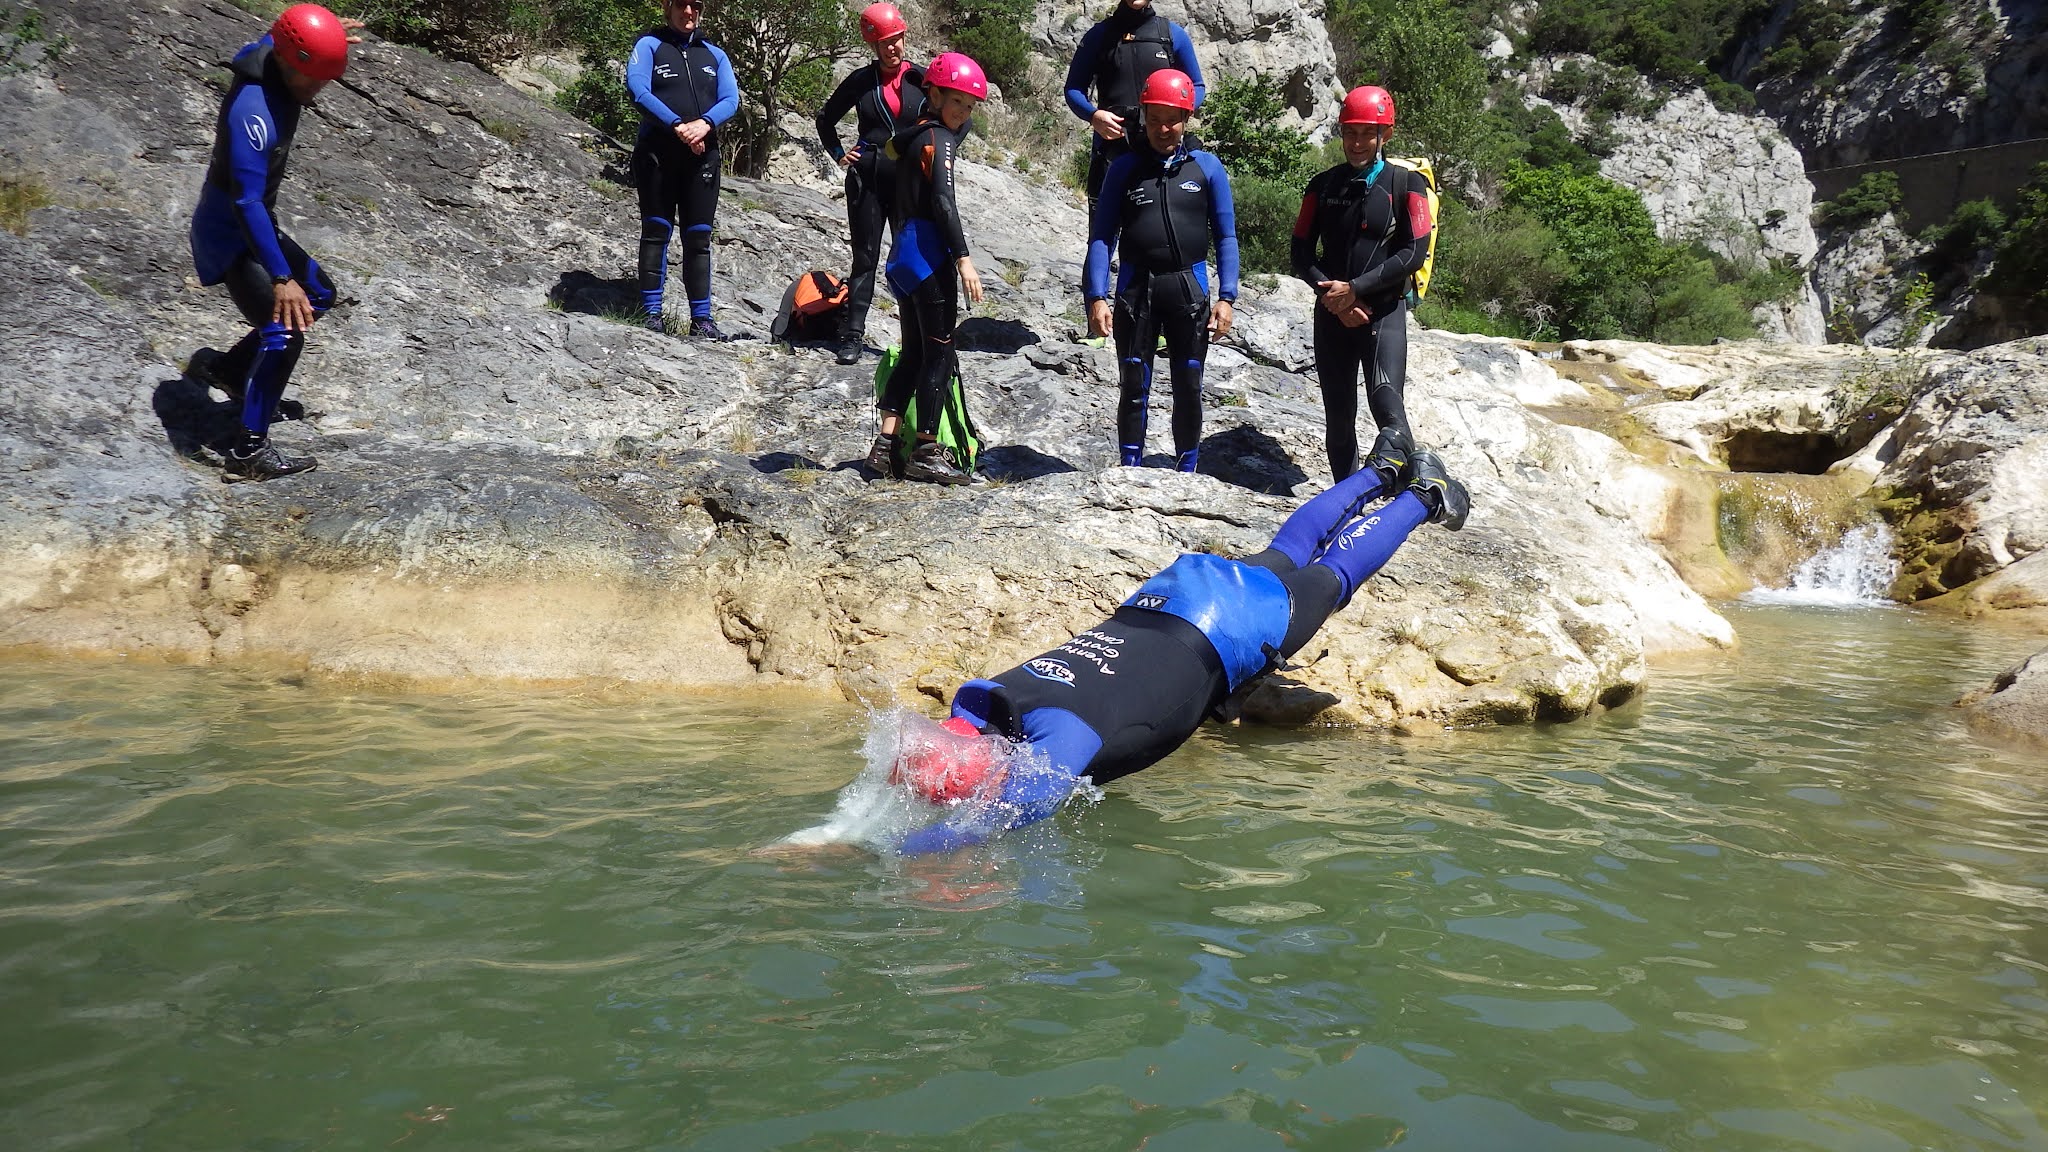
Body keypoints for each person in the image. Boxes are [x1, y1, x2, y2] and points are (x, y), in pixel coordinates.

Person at [885, 434, 1469, 855]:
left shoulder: (1061, 740)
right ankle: (1383, 468)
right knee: (1287, 552)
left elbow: (996, 820)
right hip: (1168, 597)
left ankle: (1426, 494)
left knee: (1332, 576)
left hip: (1227, 625)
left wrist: (891, 853)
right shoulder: (993, 695)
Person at [186, 4, 361, 482]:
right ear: (287, 60)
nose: (317, 87)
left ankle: (231, 371)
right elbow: (245, 201)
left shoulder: (275, 55)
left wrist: (326, 38)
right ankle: (248, 452)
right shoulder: (253, 112)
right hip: (232, 232)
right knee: (283, 331)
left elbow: (276, 35)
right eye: (312, 76)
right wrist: (281, 277)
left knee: (320, 293)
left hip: (255, 221)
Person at [1084, 69, 1237, 472]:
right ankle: (1130, 469)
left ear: (1187, 118)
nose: (1163, 128)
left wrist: (1227, 297)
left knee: (1189, 387)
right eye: (1154, 119)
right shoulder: (1124, 168)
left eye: (1172, 119)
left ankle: (1186, 471)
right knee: (1134, 385)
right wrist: (1096, 296)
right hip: (1136, 291)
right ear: (1144, 116)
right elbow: (1102, 237)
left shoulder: (1207, 168)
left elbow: (1226, 236)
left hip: (1189, 290)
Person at [1291, 86, 1434, 481]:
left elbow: (1413, 252)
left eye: (1367, 134)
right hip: (1332, 313)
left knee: (1389, 411)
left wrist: (1355, 289)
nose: (1356, 143)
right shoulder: (1322, 185)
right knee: (1338, 419)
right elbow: (1300, 251)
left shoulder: (1407, 184)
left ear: (1385, 134)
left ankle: (1407, 492)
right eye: (1349, 133)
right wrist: (1336, 298)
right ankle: (1346, 499)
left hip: (1383, 313)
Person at [863, 52, 986, 486]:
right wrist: (963, 258)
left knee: (914, 352)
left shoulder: (913, 135)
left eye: (970, 106)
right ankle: (926, 452)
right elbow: (943, 201)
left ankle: (883, 448)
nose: (963, 112)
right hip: (929, 256)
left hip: (903, 255)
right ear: (933, 96)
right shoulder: (940, 139)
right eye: (957, 102)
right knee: (939, 354)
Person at [814, 3, 926, 366]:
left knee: (908, 257)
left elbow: (958, 118)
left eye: (897, 39)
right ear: (873, 45)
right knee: (865, 259)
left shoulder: (922, 79)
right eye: (885, 42)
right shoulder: (861, 81)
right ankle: (852, 335)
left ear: (904, 37)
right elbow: (825, 119)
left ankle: (916, 340)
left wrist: (941, 152)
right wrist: (838, 154)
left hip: (909, 184)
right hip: (868, 181)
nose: (892, 47)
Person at [627, 0, 739, 339]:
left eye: (695, 5)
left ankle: (702, 320)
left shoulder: (714, 55)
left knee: (698, 237)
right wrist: (677, 125)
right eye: (681, 4)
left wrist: (704, 124)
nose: (688, 11)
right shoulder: (649, 46)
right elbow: (638, 90)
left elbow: (730, 100)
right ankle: (651, 314)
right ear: (668, 6)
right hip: (657, 153)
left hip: (702, 156)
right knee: (656, 230)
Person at [1063, 0, 1205, 210]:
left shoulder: (1171, 34)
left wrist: (1179, 112)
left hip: (1162, 149)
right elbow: (1074, 88)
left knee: (1155, 225)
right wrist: (1093, 116)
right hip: (1111, 149)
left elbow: (1197, 85)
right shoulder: (1099, 35)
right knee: (1105, 227)